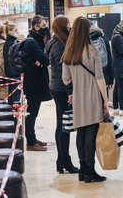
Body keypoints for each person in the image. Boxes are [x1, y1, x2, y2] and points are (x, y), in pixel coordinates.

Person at [62, 16, 109, 183]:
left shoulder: (68, 52)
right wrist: (106, 100)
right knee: (91, 132)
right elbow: (100, 78)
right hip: (93, 96)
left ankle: (83, 170)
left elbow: (65, 80)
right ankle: (90, 170)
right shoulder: (92, 50)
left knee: (81, 131)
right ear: (87, 30)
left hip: (78, 98)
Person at [45, 15, 79, 174]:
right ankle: (65, 160)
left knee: (62, 124)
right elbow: (62, 71)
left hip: (57, 88)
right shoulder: (59, 45)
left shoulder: (54, 42)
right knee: (64, 125)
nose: (70, 27)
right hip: (61, 89)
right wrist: (69, 92)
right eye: (67, 24)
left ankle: (62, 160)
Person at [23, 15, 51, 151]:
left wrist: (41, 59)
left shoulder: (36, 40)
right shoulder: (32, 42)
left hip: (34, 82)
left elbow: (43, 59)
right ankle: (30, 142)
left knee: (33, 113)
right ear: (36, 26)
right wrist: (42, 59)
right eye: (44, 25)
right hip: (33, 83)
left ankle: (32, 138)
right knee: (32, 113)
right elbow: (46, 59)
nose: (46, 28)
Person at [90, 27, 114, 96]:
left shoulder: (84, 40)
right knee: (103, 99)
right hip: (104, 75)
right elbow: (109, 60)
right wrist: (111, 80)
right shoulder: (104, 40)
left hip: (90, 76)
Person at [3, 22, 21, 105]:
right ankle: (14, 113)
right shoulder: (12, 43)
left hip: (9, 72)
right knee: (15, 96)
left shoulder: (8, 43)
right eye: (15, 30)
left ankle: (11, 111)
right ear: (10, 31)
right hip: (14, 73)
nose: (17, 32)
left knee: (11, 95)